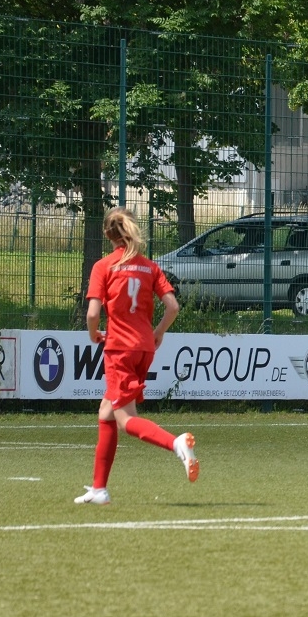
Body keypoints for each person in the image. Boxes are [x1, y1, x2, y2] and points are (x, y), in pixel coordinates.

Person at [74, 207, 199, 505]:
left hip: (119, 349)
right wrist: (159, 332)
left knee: (126, 419)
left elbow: (92, 314)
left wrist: (93, 334)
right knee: (106, 412)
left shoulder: (104, 266)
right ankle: (99, 489)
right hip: (144, 348)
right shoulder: (149, 266)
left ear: (108, 234)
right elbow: (173, 307)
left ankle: (176, 444)